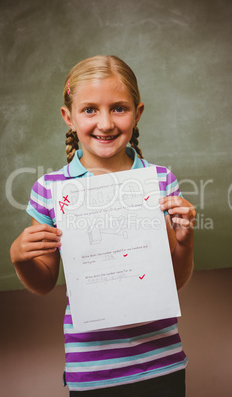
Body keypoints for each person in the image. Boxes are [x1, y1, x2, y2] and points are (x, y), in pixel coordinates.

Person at [10, 55, 196, 396]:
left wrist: (185, 241)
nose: (106, 123)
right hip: (92, 369)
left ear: (137, 113)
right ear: (69, 117)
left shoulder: (158, 181)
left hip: (162, 360)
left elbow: (175, 282)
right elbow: (44, 284)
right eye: (90, 109)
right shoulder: (49, 190)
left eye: (119, 109)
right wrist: (20, 257)